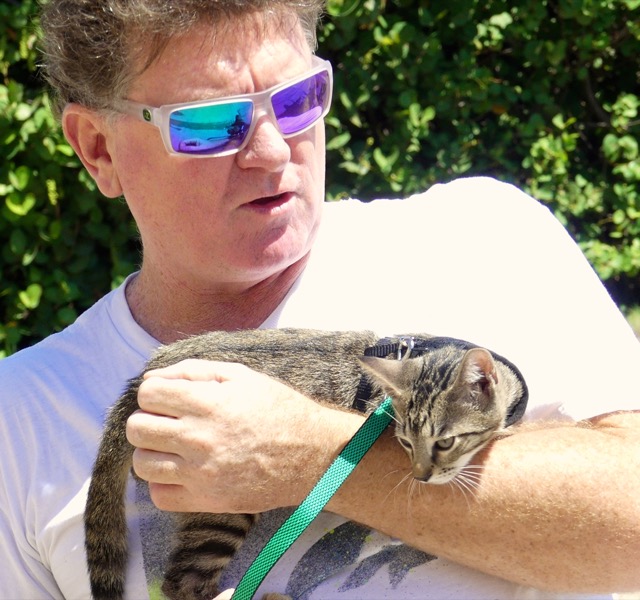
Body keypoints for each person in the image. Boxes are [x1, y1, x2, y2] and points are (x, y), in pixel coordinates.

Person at [1, 1, 639, 598]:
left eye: (298, 99)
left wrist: (310, 453)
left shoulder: (485, 237)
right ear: (97, 148)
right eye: (210, 124)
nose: (274, 150)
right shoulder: (23, 418)